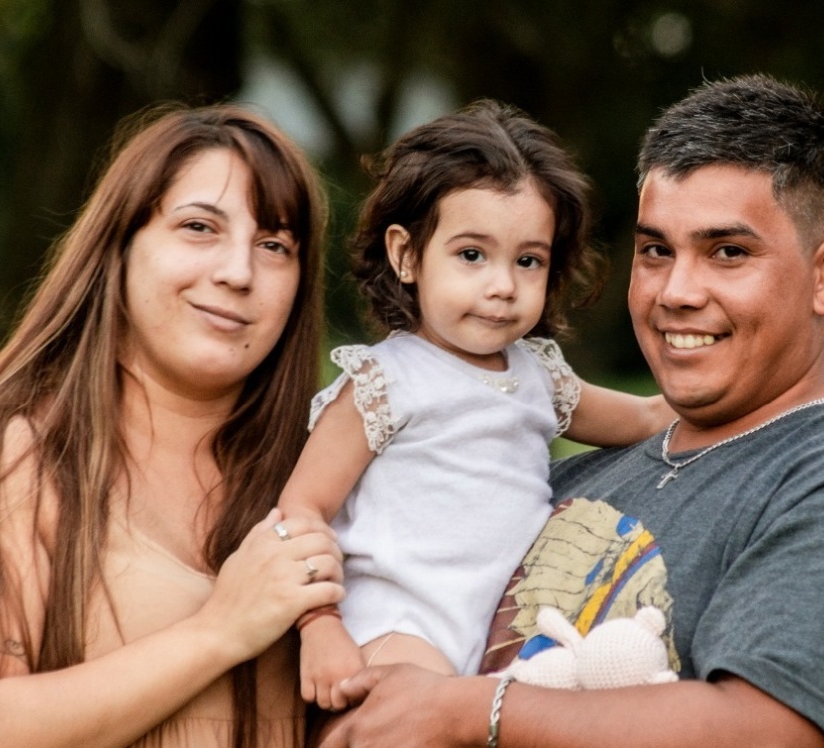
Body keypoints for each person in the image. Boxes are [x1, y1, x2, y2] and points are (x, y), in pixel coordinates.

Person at [317, 74, 824, 748]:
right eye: (657, 251)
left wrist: (463, 711)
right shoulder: (570, 466)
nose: (677, 292)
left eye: (728, 252)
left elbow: (770, 736)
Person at [0, 104, 346, 748]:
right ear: (119, 249)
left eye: (274, 245)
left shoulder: (327, 477)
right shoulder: (12, 450)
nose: (237, 272)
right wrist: (218, 631)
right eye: (199, 227)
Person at [278, 99, 675, 711]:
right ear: (406, 255)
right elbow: (302, 509)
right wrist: (320, 627)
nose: (502, 285)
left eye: (528, 261)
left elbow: (647, 418)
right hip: (395, 632)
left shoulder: (539, 376)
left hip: (494, 642)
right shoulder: (385, 381)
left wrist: (754, 402)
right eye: (471, 255)